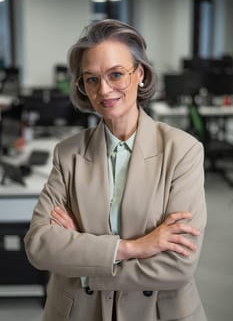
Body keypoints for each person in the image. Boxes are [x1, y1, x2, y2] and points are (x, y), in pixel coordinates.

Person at [24, 19, 207, 321]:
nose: (104, 90)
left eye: (116, 74)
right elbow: (39, 246)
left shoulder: (182, 150)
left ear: (141, 74)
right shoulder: (68, 153)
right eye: (91, 79)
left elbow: (177, 265)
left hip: (158, 313)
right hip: (79, 313)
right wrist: (135, 247)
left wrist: (84, 265)